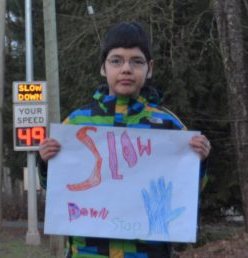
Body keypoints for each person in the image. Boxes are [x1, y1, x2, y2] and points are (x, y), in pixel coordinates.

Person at [38, 21, 211, 258]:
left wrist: (199, 161)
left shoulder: (169, 126)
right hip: (87, 252)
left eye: (136, 61)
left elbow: (191, 190)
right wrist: (47, 163)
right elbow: (54, 190)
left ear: (149, 68)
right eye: (116, 60)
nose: (126, 69)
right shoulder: (77, 123)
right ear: (103, 67)